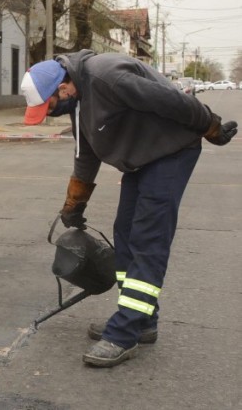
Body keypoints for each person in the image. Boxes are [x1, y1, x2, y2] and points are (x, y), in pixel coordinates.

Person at [20, 50, 237, 368]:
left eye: (49, 106)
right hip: (142, 159)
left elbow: (172, 100)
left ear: (63, 86)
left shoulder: (107, 76)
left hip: (172, 151)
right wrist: (75, 204)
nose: (50, 113)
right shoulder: (79, 101)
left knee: (147, 239)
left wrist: (210, 125)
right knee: (124, 233)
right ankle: (143, 320)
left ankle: (124, 333)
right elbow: (86, 155)